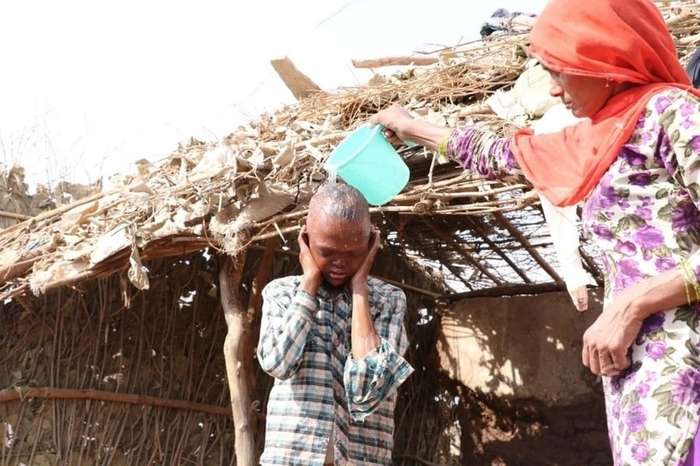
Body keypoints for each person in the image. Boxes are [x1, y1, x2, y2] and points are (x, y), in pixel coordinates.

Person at [371, 0, 700, 464]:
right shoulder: (595, 138)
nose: (553, 90)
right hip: (639, 382)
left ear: (603, 59)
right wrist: (410, 127)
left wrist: (632, 303)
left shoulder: (673, 115)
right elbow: (501, 153)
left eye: (560, 72)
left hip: (687, 367)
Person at [256, 183, 413, 466]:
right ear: (305, 239)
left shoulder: (389, 301)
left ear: (371, 244)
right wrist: (308, 286)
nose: (340, 263)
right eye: (327, 252)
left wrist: (360, 289)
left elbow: (369, 391)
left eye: (353, 254)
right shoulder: (281, 294)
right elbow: (278, 363)